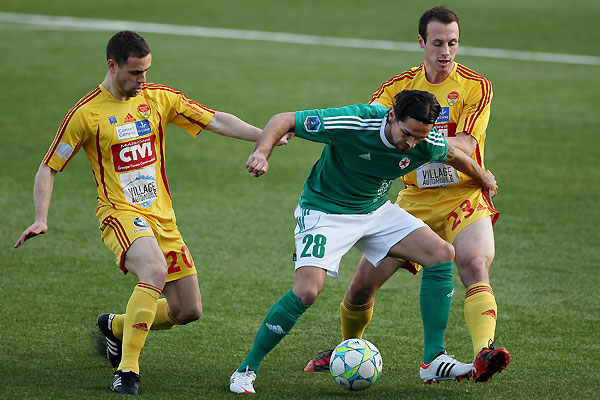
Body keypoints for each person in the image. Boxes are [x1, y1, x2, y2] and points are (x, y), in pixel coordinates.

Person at [14, 30, 288, 396]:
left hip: (162, 217)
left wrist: (264, 136)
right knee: (154, 270)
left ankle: (115, 327)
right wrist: (41, 217)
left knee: (187, 310)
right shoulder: (86, 114)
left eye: (146, 71)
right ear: (112, 67)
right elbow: (49, 167)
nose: (142, 80)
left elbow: (215, 119)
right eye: (135, 73)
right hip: (120, 213)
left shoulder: (158, 98)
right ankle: (127, 370)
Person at [229, 89, 497, 394]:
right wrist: (262, 153)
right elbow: (283, 119)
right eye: (407, 133)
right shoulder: (354, 122)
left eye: (420, 137)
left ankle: (432, 360)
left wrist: (484, 178)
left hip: (374, 210)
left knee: (440, 253)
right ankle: (246, 369)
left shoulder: (426, 141)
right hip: (324, 211)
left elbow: (452, 154)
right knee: (306, 291)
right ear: (391, 116)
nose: (411, 144)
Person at [303, 6, 510, 383]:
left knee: (475, 265)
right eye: (437, 43)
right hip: (413, 201)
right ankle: (348, 347)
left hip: (462, 196)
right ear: (421, 43)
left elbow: (465, 142)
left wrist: (410, 136)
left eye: (453, 43)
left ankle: (484, 352)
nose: (445, 52)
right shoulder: (397, 88)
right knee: (361, 286)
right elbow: (371, 126)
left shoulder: (476, 87)